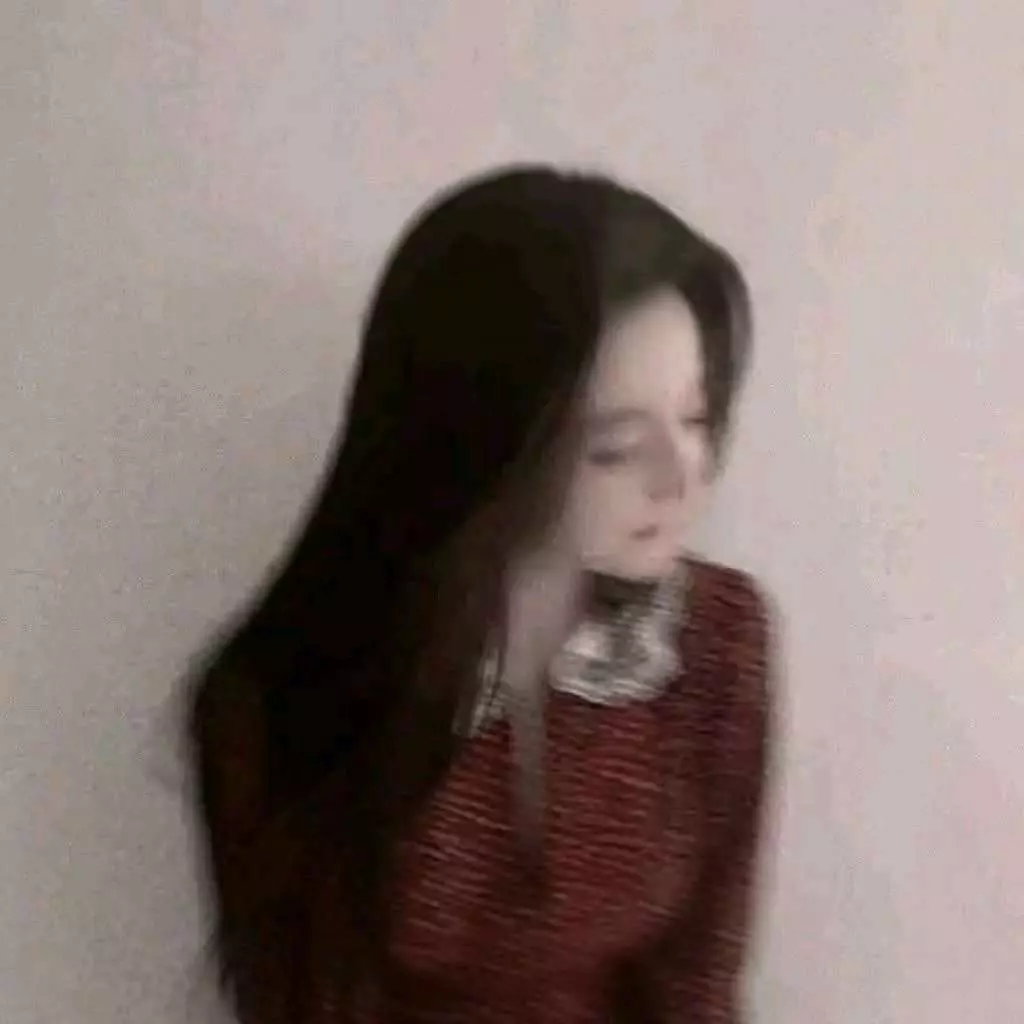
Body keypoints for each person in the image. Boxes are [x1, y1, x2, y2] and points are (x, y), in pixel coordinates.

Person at [188, 164, 776, 1023]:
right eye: (615, 445)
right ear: (482, 444)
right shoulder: (278, 695)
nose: (683, 477)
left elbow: (698, 986)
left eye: (694, 418)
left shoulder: (715, 638)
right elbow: (300, 1002)